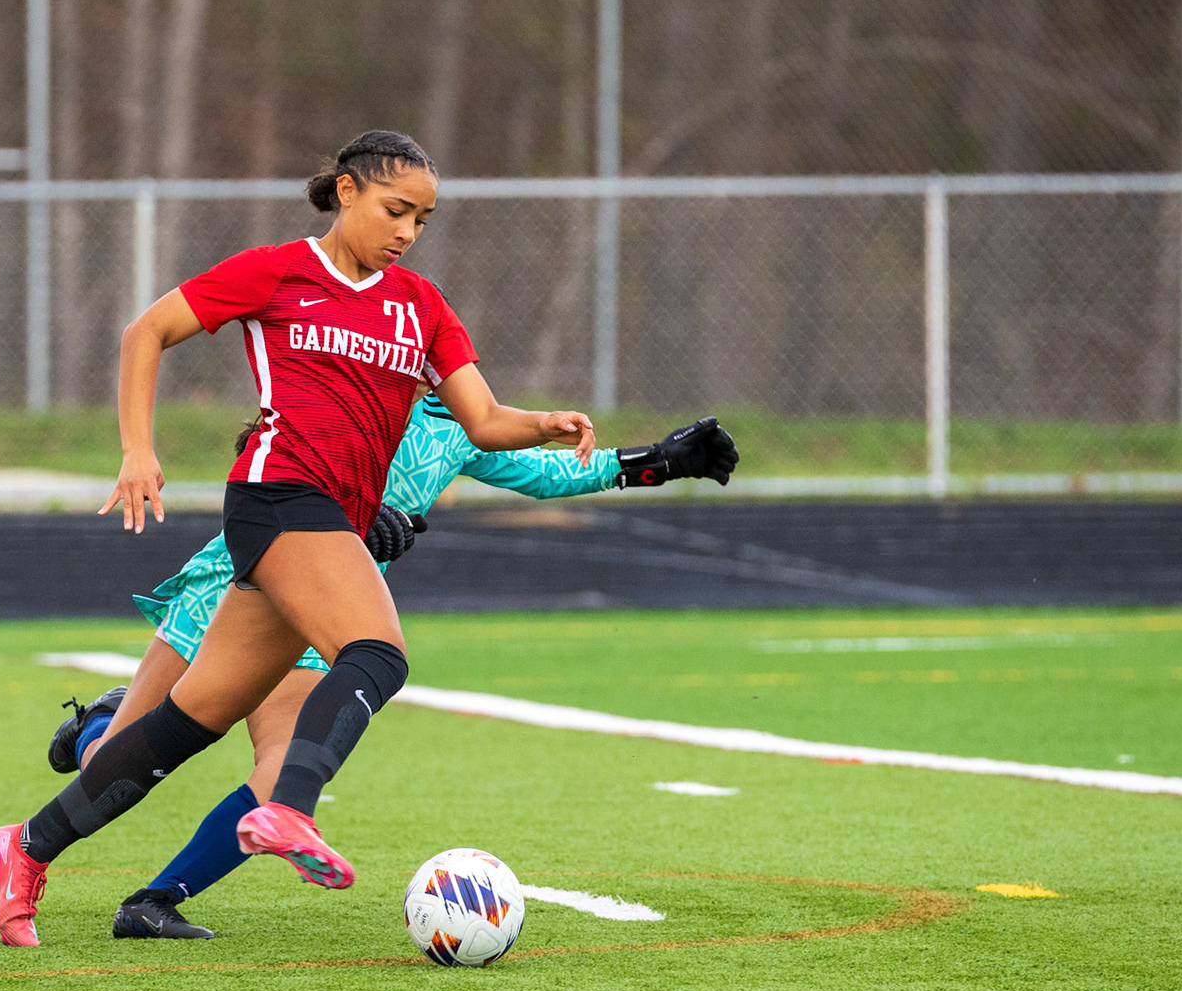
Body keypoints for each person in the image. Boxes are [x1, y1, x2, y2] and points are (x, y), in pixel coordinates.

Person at [0, 129, 599, 947]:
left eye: (422, 219)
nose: (408, 231)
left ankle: (25, 847)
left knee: (188, 721)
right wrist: (137, 449)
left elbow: (482, 420)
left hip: (328, 520)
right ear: (346, 192)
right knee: (377, 653)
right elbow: (145, 332)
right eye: (395, 210)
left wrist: (542, 423)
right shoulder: (278, 271)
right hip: (276, 498)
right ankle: (289, 811)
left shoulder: (422, 305)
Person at [50, 399, 739, 939]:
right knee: (110, 766)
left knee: (279, 775)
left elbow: (547, 473)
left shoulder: (456, 424)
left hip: (323, 615)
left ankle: (154, 902)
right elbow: (259, 461)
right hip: (235, 586)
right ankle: (99, 727)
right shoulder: (330, 385)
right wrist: (347, 514)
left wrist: (659, 462)